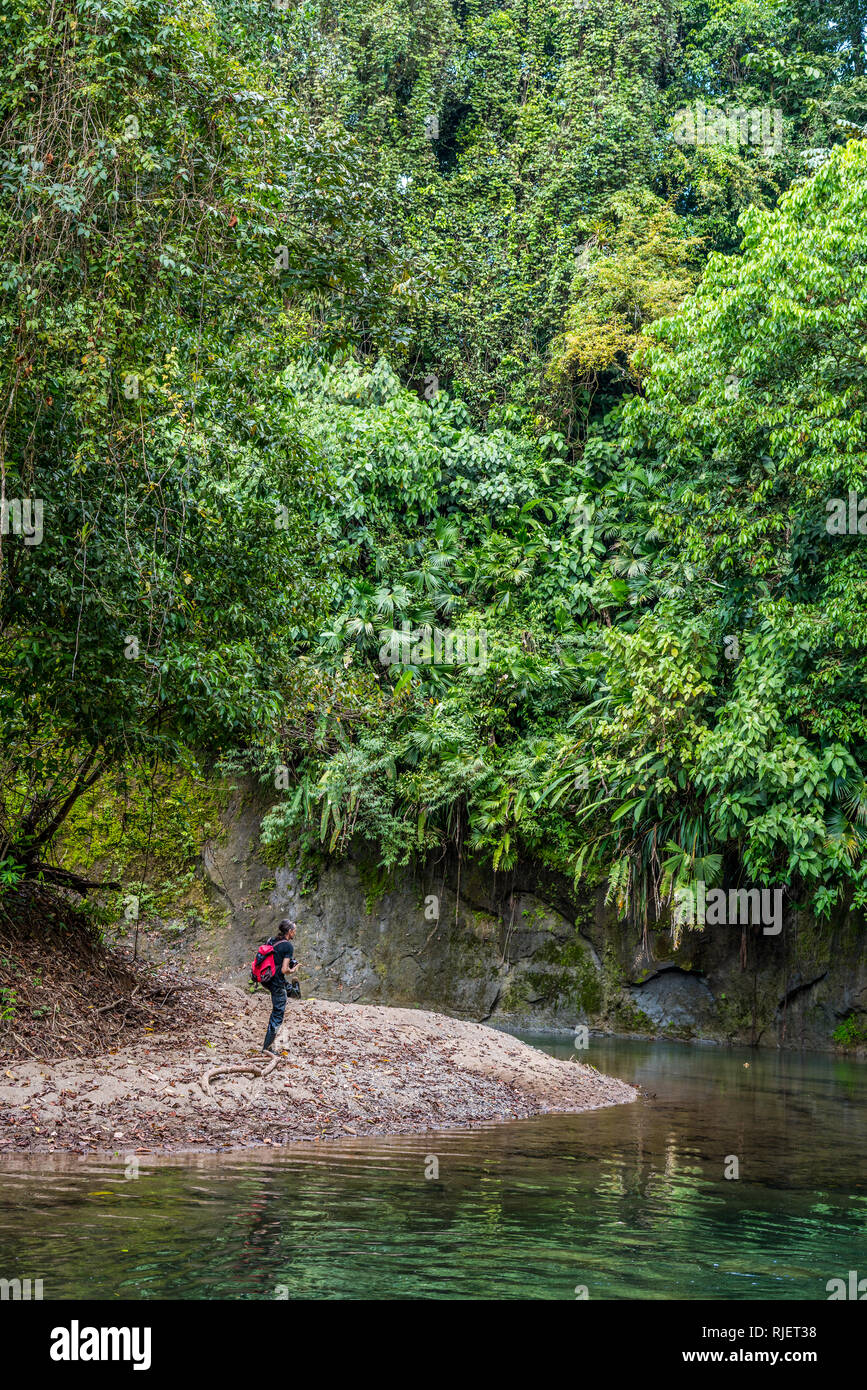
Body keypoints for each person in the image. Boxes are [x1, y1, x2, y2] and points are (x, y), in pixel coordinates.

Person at [262, 919, 300, 1054]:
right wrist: (293, 970)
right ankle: (267, 1048)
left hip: (267, 979)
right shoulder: (288, 946)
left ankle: (293, 991)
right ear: (289, 932)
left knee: (285, 991)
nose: (295, 932)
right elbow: (284, 970)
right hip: (277, 981)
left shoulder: (271, 940)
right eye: (294, 930)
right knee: (277, 1014)